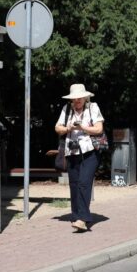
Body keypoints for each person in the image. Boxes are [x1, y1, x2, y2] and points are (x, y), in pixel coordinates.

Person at [54, 83, 105, 231]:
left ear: (85, 98)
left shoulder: (93, 107)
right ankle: (76, 216)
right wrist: (68, 128)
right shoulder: (66, 109)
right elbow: (57, 128)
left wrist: (83, 127)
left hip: (90, 152)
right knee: (74, 184)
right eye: (74, 99)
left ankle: (83, 219)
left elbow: (99, 129)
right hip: (72, 152)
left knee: (84, 182)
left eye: (79, 98)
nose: (77, 101)